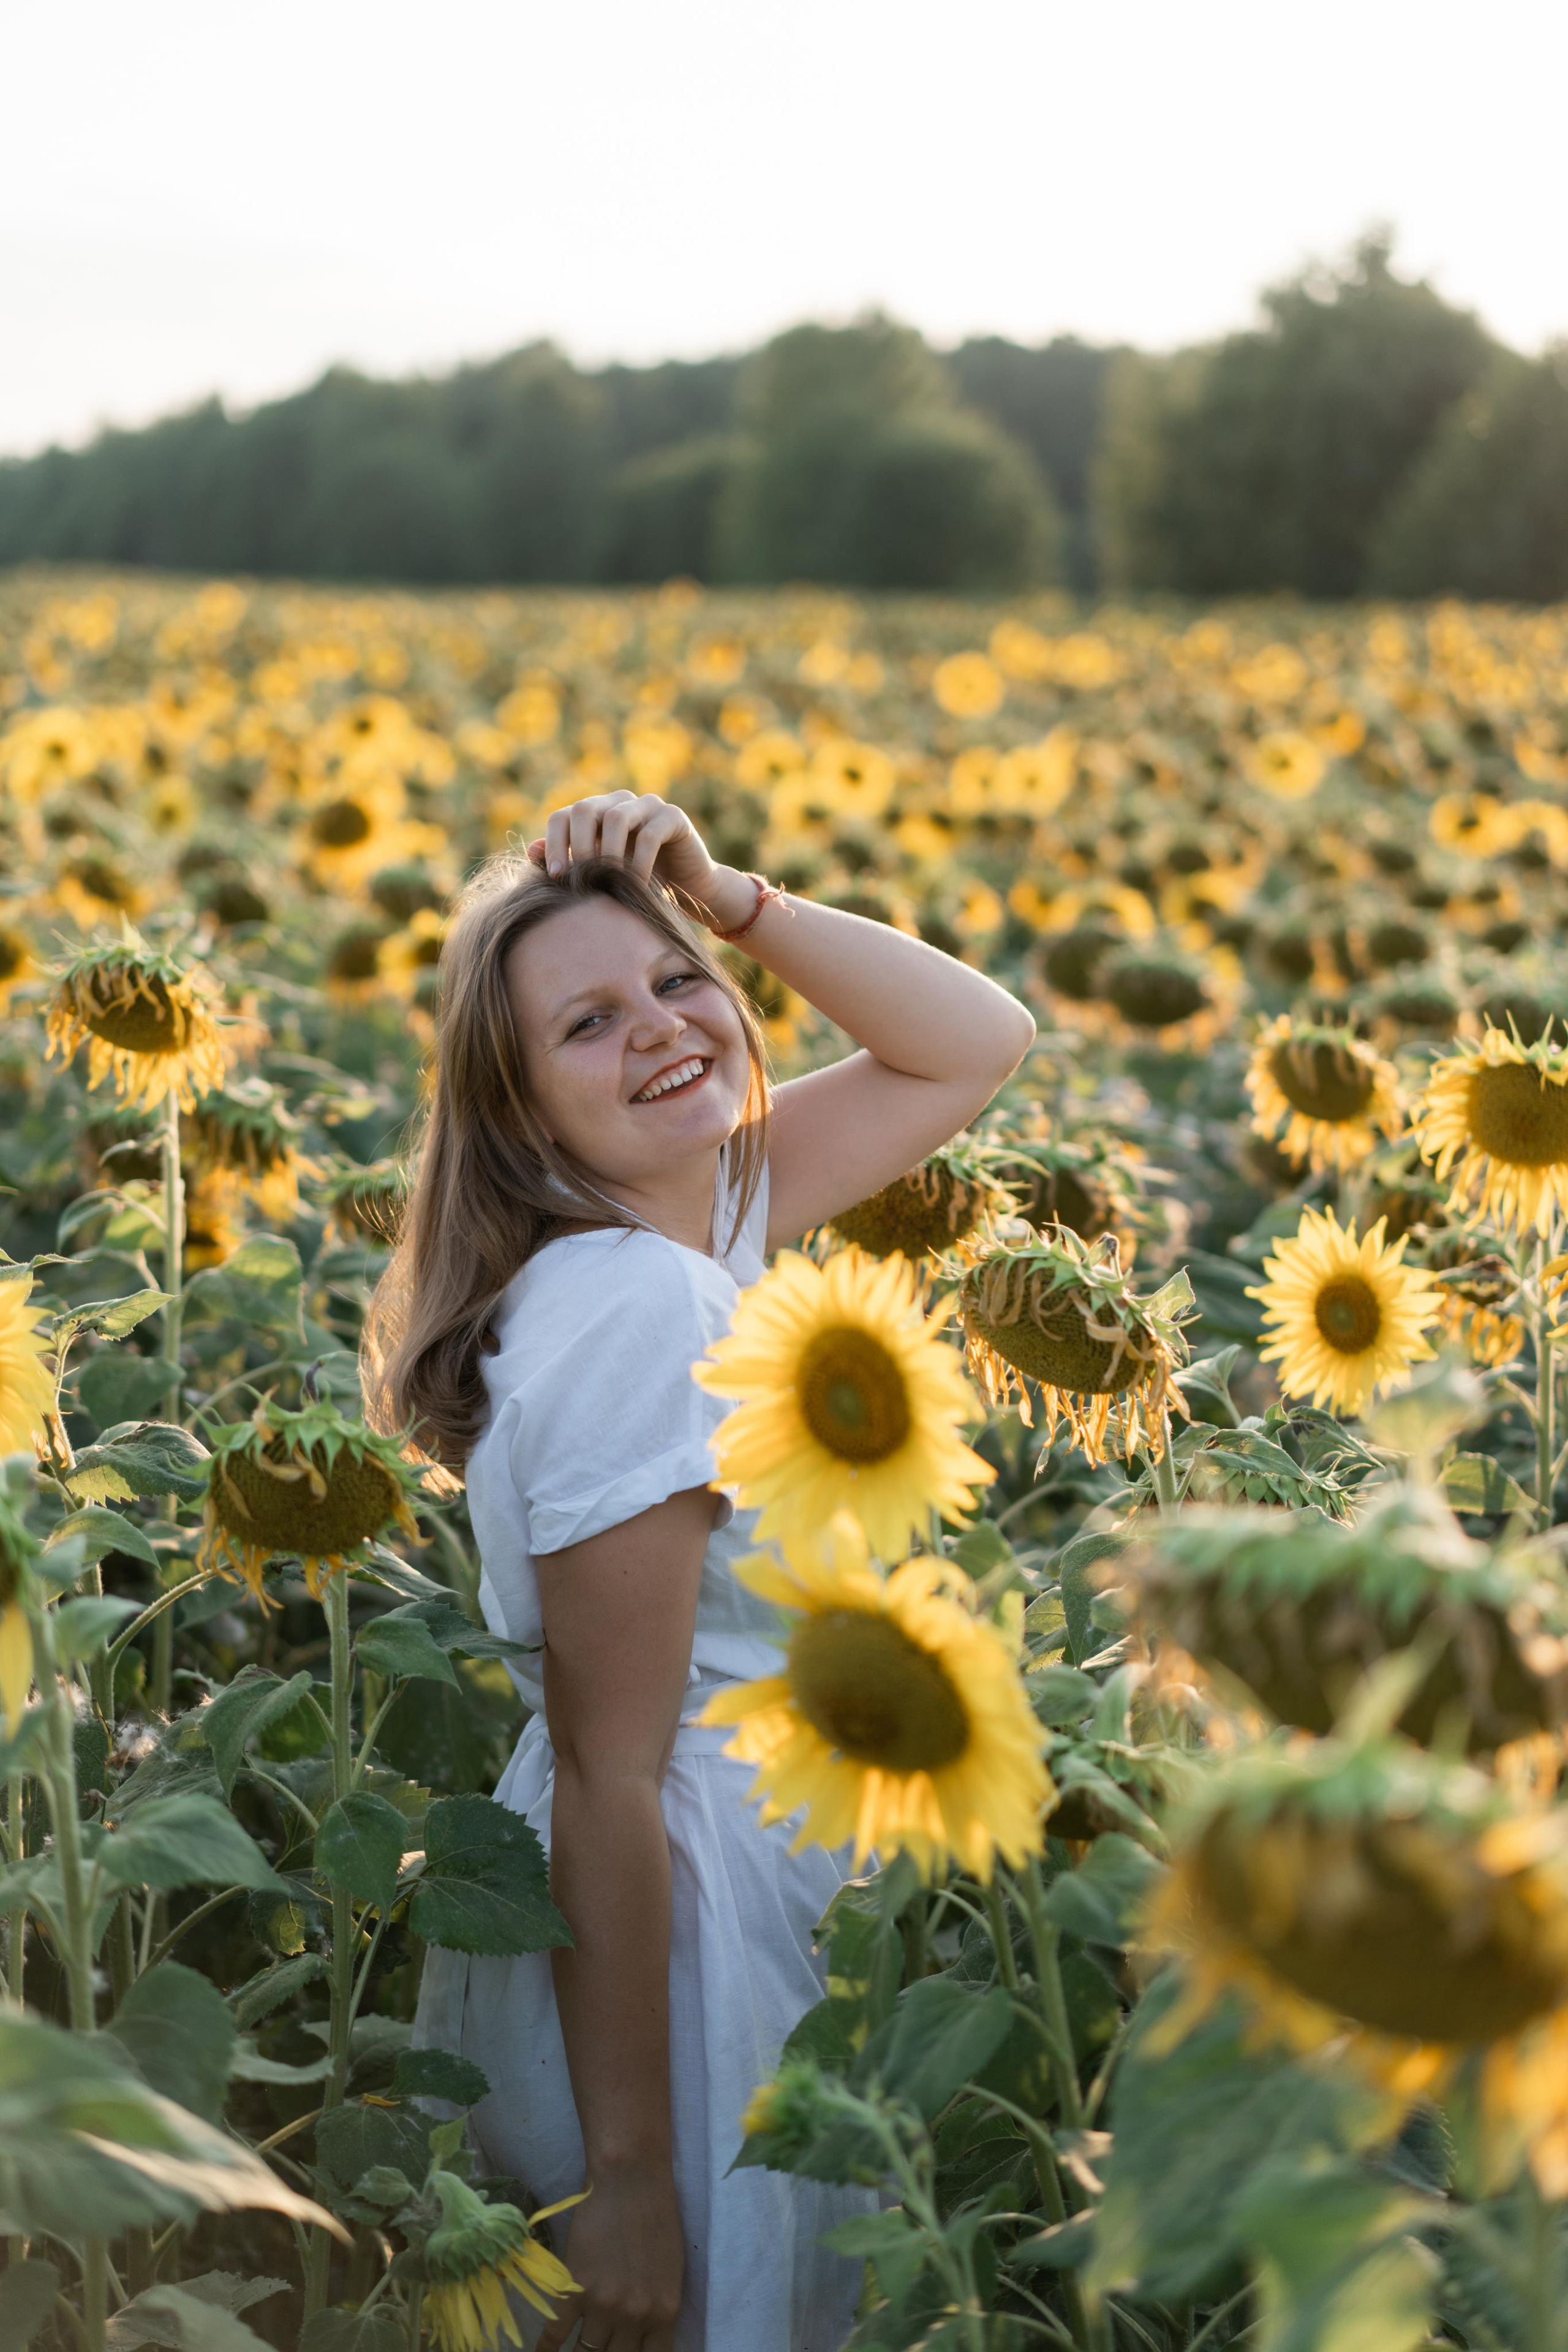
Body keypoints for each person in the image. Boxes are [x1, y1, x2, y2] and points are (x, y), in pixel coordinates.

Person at [371, 790, 1035, 2352]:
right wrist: (628, 2175)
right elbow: (616, 1773)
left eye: (675, 983)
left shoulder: (691, 1225)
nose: (663, 1030)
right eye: (587, 1023)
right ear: (521, 1111)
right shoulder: (632, 1309)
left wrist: (730, 897)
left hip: (716, 1893)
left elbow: (975, 1041)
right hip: (670, 1947)